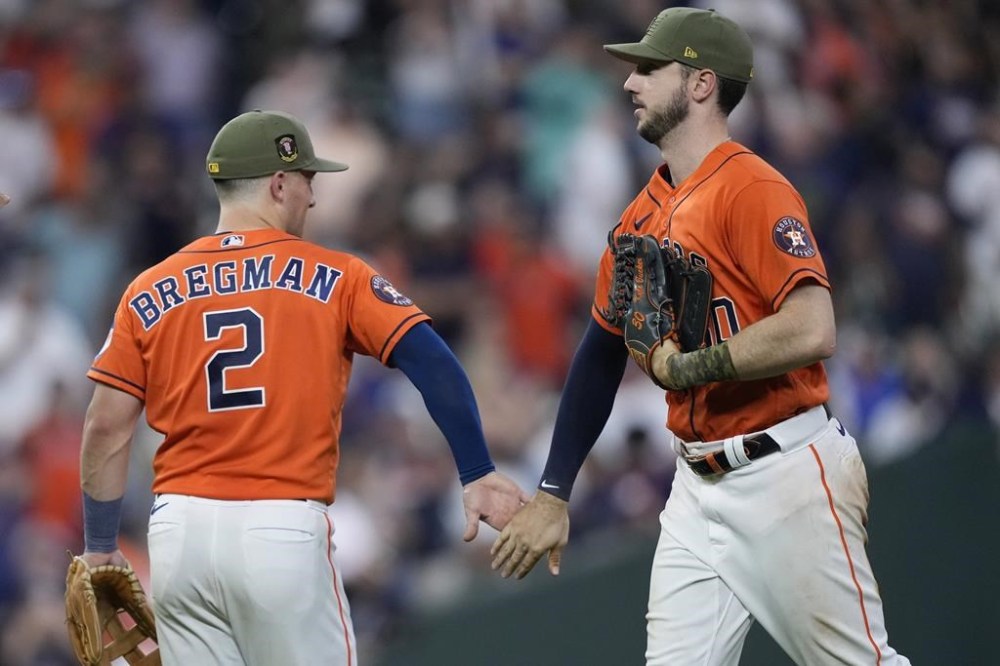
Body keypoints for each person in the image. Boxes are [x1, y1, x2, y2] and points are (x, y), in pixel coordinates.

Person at [490, 8, 911, 665]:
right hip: (694, 490)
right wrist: (553, 490)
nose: (631, 83)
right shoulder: (640, 214)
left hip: (784, 473)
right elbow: (600, 353)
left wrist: (693, 367)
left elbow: (812, 325)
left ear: (701, 84)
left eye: (650, 69)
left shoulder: (753, 188)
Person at [76, 109, 528, 665]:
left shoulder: (148, 287)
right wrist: (476, 470)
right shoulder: (337, 274)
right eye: (309, 180)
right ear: (279, 182)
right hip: (278, 528)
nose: (313, 198)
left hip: (178, 536)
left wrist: (100, 546)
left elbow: (104, 423)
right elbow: (433, 361)